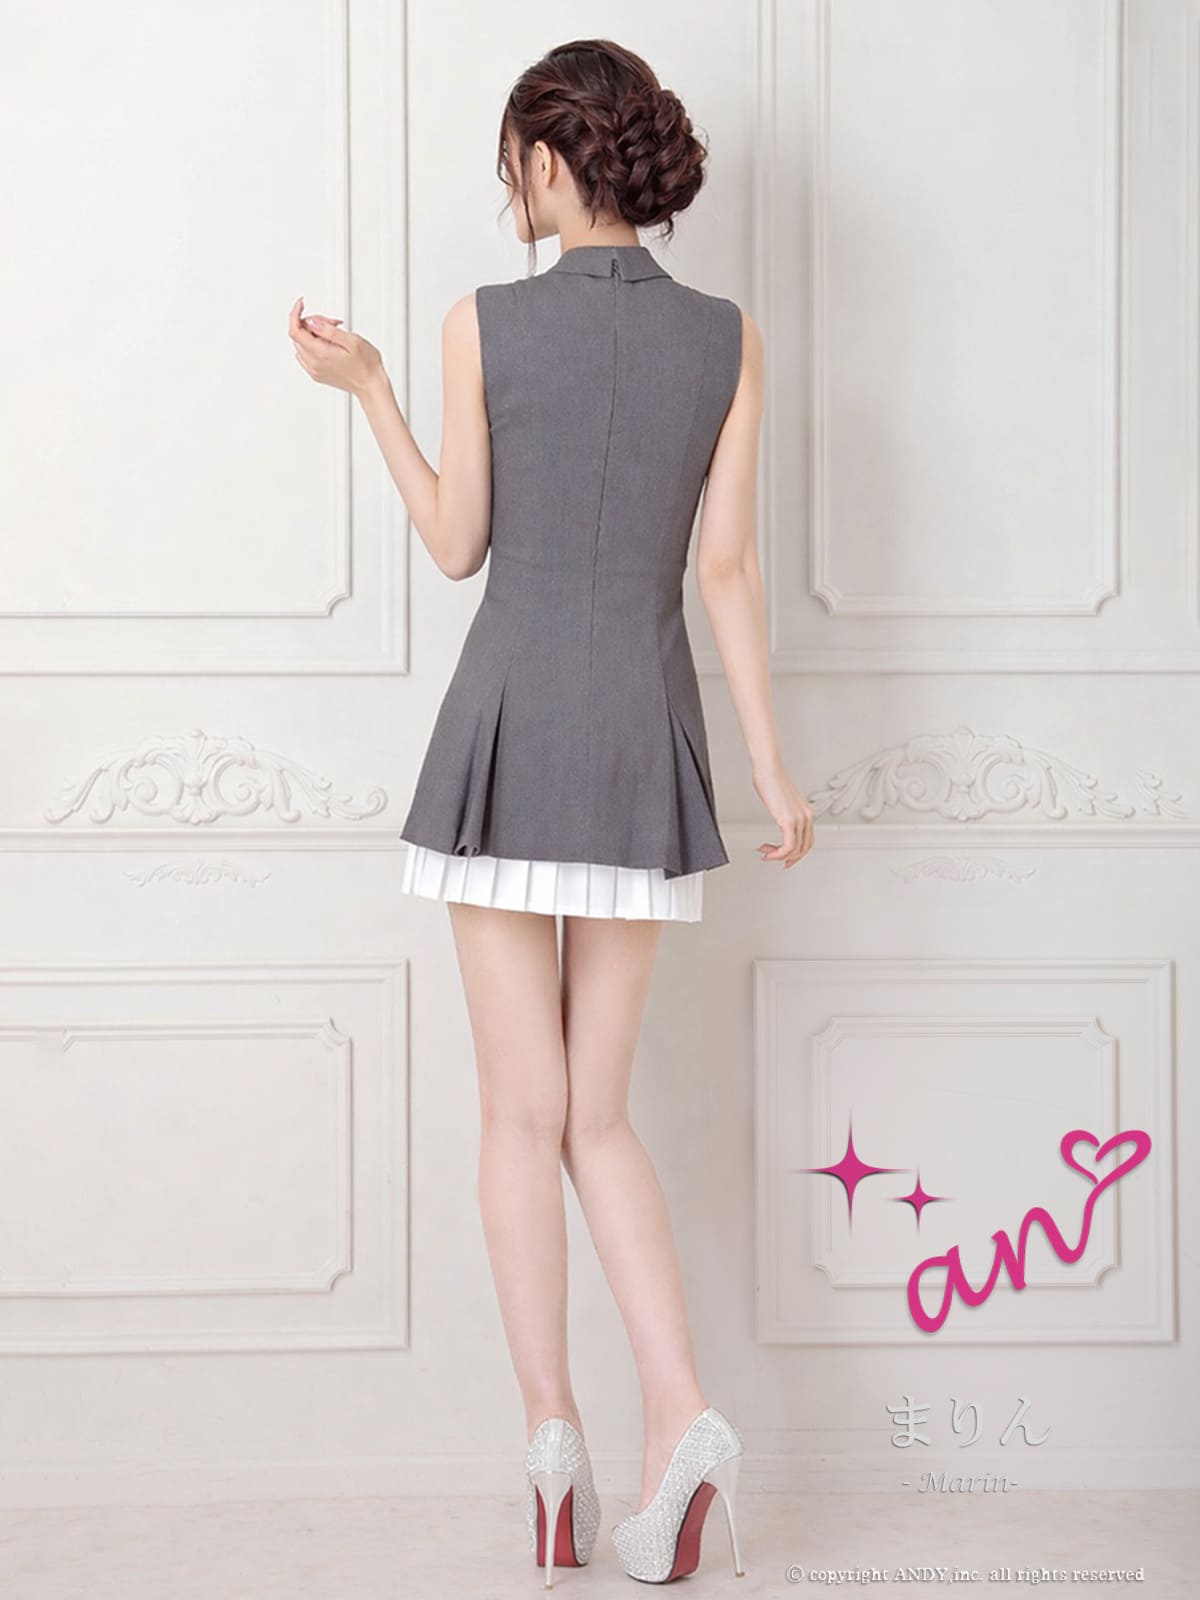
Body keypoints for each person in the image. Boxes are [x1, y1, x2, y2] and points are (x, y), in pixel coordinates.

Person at [289, 36, 813, 1587]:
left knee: (520, 1116)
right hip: (646, 751)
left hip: (509, 741)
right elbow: (726, 573)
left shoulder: (484, 323)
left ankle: (552, 1445)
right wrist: (771, 770)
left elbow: (458, 545)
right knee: (601, 1116)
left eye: (510, 166)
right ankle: (683, 1415)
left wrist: (373, 391)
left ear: (544, 160)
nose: (507, 192)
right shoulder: (729, 339)